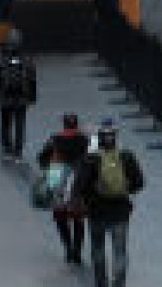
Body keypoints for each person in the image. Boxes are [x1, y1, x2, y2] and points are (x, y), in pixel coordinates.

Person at [74, 120, 144, 287]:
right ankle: (119, 284)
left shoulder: (91, 159)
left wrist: (86, 199)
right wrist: (126, 190)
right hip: (120, 211)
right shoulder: (126, 156)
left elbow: (80, 186)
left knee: (98, 250)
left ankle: (101, 283)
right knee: (119, 252)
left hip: (97, 211)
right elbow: (139, 182)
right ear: (116, 137)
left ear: (99, 138)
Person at [36, 113, 91, 264]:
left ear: (64, 125)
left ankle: (68, 248)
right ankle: (77, 251)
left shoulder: (54, 139)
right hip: (78, 180)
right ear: (76, 125)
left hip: (57, 177)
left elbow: (41, 158)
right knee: (78, 218)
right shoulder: (85, 140)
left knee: (60, 216)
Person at [0, 29, 38, 161]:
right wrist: (32, 97)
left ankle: (7, 149)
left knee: (5, 123)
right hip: (22, 97)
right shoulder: (26, 58)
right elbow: (32, 79)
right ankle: (18, 151)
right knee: (20, 124)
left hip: (4, 97)